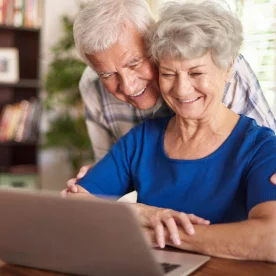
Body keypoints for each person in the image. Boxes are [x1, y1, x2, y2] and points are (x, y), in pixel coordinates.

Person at [66, 0, 276, 262]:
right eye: (168, 74)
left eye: (134, 63)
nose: (182, 89)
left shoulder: (258, 142)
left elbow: (270, 239)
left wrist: (161, 235)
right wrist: (144, 215)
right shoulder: (139, 139)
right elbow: (79, 205)